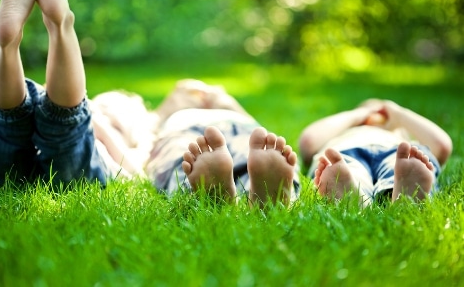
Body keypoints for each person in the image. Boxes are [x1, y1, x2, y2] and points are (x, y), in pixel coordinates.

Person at [0, 0, 140, 187]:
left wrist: (96, 119)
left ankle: (19, 40)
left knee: (10, 128)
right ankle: (57, 24)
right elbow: (136, 173)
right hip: (67, 168)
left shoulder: (124, 135)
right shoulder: (137, 136)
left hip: (30, 158)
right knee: (40, 124)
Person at [90, 79, 300, 208]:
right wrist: (162, 113)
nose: (103, 116)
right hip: (186, 131)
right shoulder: (148, 138)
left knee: (259, 151)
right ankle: (253, 196)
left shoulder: (151, 126)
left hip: (236, 123)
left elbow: (258, 134)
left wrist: (227, 103)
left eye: (111, 111)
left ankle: (263, 190)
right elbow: (132, 168)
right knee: (186, 159)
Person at [298, 99, 453, 205]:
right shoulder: (344, 132)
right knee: (345, 171)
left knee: (403, 166)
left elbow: (442, 146)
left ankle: (404, 195)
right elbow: (308, 141)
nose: (376, 113)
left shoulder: (400, 137)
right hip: (345, 152)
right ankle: (355, 198)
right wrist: (357, 115)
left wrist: (399, 114)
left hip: (396, 153)